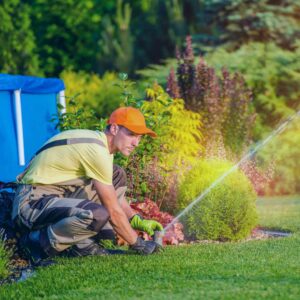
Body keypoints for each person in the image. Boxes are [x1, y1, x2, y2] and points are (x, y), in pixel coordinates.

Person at [12, 106, 163, 264]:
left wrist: (135, 219)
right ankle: (35, 244)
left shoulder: (101, 147)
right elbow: (112, 210)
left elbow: (112, 194)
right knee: (97, 216)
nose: (136, 143)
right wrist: (138, 244)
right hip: (31, 204)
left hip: (53, 196)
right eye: (131, 135)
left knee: (116, 174)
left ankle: (80, 247)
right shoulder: (96, 150)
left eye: (139, 138)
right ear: (114, 128)